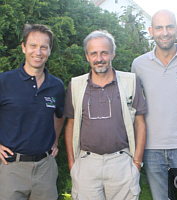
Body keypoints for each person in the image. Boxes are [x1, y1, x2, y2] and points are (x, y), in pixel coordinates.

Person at [64, 30, 146, 200]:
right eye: (93, 53)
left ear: (113, 54)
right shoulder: (76, 85)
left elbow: (140, 123)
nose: (99, 58)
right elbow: (70, 125)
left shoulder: (130, 81)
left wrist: (137, 163)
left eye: (104, 53)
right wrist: (73, 164)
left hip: (122, 163)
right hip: (86, 164)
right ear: (87, 56)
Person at [131, 9, 177, 200]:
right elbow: (134, 106)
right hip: (151, 149)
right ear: (151, 31)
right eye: (159, 28)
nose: (165, 32)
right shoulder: (139, 64)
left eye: (169, 27)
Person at [0, 24, 65, 200]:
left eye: (44, 47)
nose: (38, 52)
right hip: (10, 168)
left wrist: (55, 140)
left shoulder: (57, 86)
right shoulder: (4, 81)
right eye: (33, 46)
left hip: (45, 168)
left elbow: (60, 116)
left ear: (50, 50)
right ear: (23, 47)